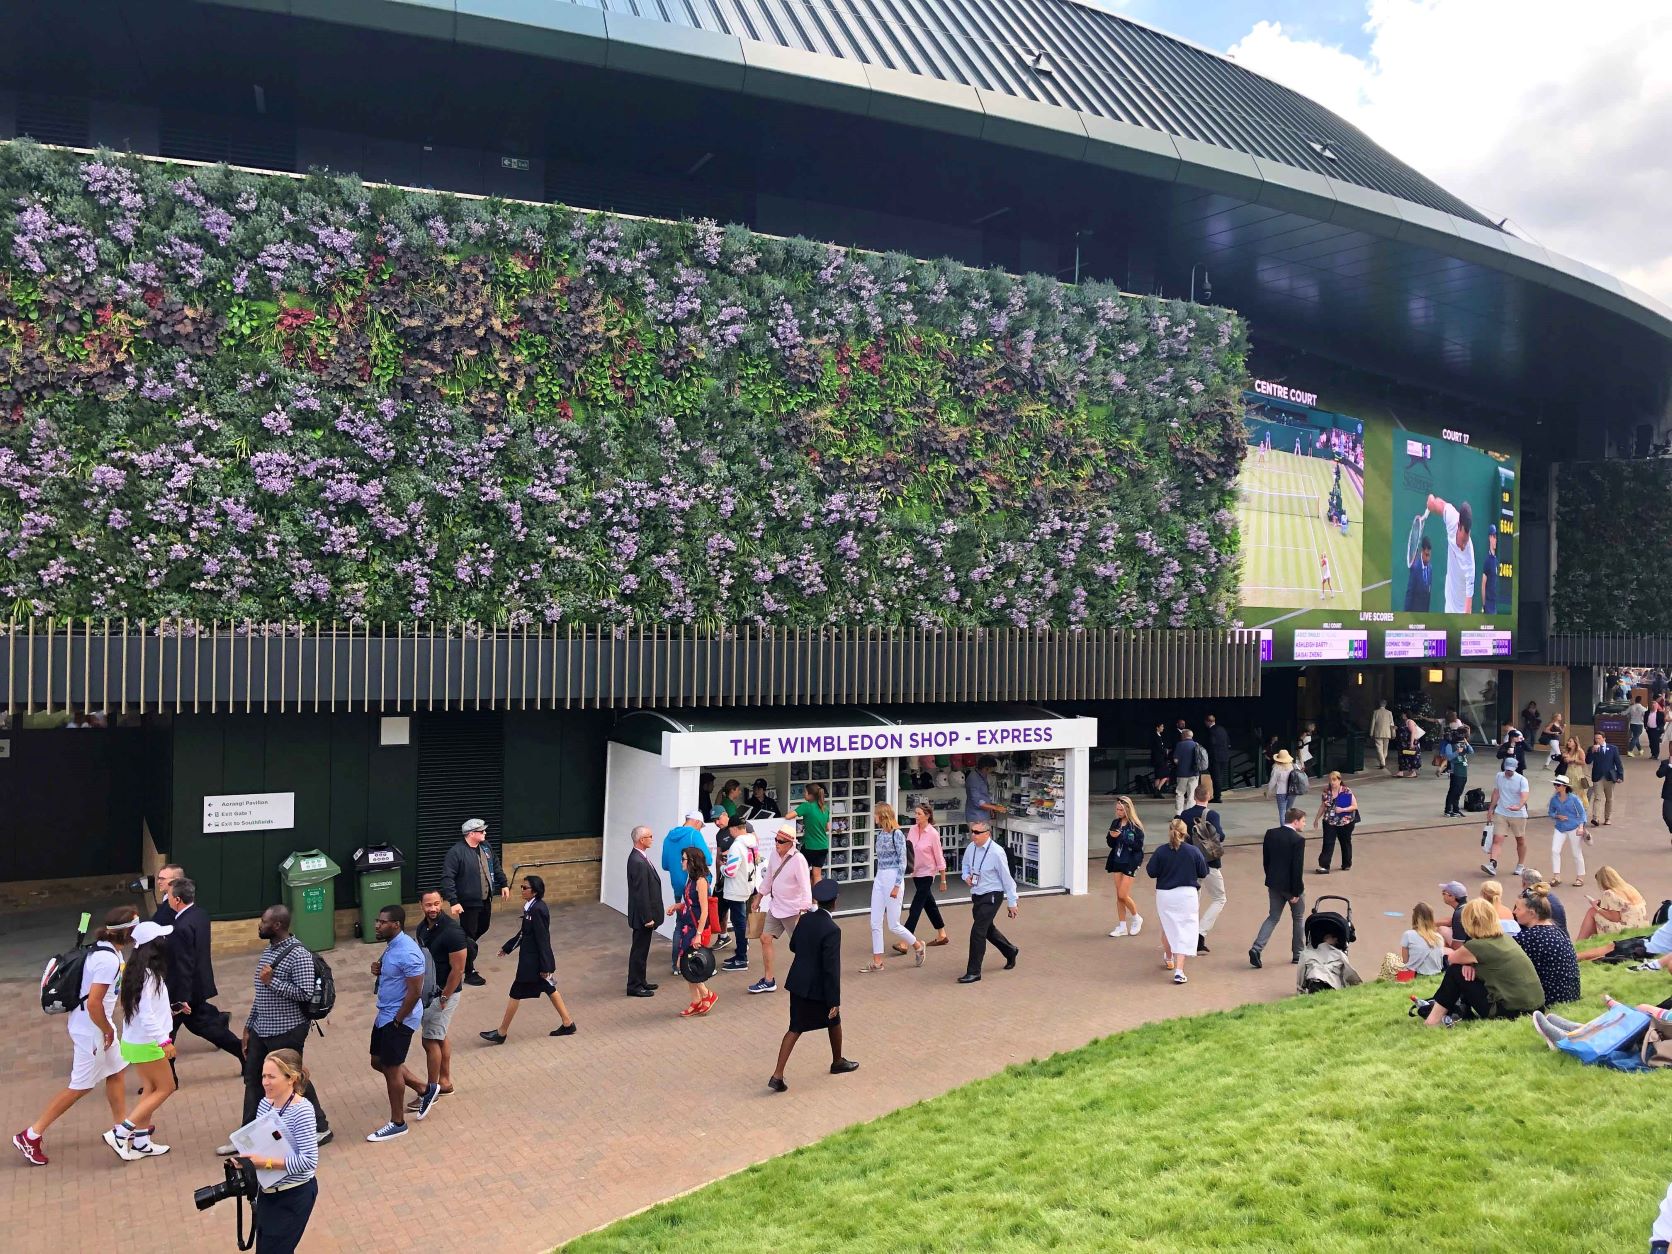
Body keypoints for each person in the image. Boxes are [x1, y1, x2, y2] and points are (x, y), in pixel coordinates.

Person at [14, 906, 137, 1166]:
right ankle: (31, 1135)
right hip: (92, 1028)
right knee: (80, 1086)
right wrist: (107, 1029)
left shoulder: (104, 949)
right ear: (126, 931)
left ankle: (120, 1129)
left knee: (116, 1072)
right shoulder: (108, 960)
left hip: (95, 1026)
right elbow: (94, 1003)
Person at [215, 905, 330, 1156]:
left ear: (276, 925)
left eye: (264, 921)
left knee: (292, 1078)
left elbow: (304, 992)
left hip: (287, 1029)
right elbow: (261, 994)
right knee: (254, 1079)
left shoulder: (298, 954)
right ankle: (247, 1136)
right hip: (262, 1028)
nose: (260, 924)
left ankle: (321, 1126)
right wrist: (248, 1025)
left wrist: (273, 981)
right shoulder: (270, 950)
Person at [768, 877, 858, 1091]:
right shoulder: (832, 929)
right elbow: (831, 968)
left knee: (795, 1027)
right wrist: (834, 1000)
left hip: (797, 982)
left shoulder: (805, 919)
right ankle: (837, 1062)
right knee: (834, 1018)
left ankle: (777, 1074)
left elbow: (793, 946)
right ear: (835, 902)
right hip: (818, 988)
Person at [230, 1048, 319, 1254]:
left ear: (291, 1078)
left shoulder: (302, 1111)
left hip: (294, 1195)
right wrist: (246, 1161)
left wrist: (265, 1163)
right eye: (263, 1076)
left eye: (271, 1076)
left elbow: (308, 1161)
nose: (265, 1082)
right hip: (268, 1194)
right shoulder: (264, 1104)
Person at [1414, 899, 1543, 1027]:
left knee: (1455, 971)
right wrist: (1469, 964)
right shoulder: (1506, 939)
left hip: (1509, 1012)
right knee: (1464, 971)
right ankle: (1459, 1010)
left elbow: (1452, 959)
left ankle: (1433, 1020)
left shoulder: (1476, 946)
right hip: (1536, 1008)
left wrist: (1466, 963)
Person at [109, 919, 177, 1160]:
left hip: (134, 1041)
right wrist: (164, 1041)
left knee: (150, 1087)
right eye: (162, 938)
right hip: (148, 1043)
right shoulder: (149, 976)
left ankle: (141, 1141)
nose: (166, 942)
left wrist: (171, 1010)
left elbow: (144, 1010)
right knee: (167, 1087)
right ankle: (122, 1132)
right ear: (154, 945)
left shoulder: (136, 971)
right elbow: (147, 1014)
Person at [481, 875, 578, 1040]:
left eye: (525, 888)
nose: (522, 890)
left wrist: (546, 967)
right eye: (522, 887)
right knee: (550, 988)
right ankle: (568, 1023)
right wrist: (507, 948)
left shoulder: (537, 910)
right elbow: (524, 933)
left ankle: (501, 1032)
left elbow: (543, 938)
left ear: (535, 891)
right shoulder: (531, 908)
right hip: (534, 962)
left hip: (533, 964)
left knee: (516, 992)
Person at [162, 876, 245, 1067]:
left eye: (168, 895)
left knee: (167, 1033)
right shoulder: (199, 915)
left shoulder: (180, 928)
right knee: (199, 1026)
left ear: (177, 900)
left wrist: (180, 999)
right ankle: (241, 1050)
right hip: (198, 985)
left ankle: (166, 1078)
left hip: (184, 992)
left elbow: (183, 965)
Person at [405, 890, 469, 1116]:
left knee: (430, 1040)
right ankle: (445, 1082)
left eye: (436, 904)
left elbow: (458, 969)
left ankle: (430, 1092)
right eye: (428, 905)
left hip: (445, 994)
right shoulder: (423, 928)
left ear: (441, 903)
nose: (432, 908)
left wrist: (444, 997)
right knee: (439, 1036)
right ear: (421, 905)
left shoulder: (453, 932)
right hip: (430, 993)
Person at [366, 905, 425, 1142]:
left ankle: (397, 1123)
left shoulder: (408, 952)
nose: (377, 925)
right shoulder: (392, 946)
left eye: (382, 922)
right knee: (377, 1061)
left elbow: (415, 992)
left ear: (396, 925)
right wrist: (378, 971)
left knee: (392, 1068)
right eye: (377, 920)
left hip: (399, 1017)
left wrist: (399, 1020)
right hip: (385, 1015)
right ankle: (424, 1088)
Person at [440, 818, 510, 988]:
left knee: (482, 928)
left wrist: (504, 884)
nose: (485, 833)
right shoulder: (456, 852)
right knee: (469, 936)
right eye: (481, 831)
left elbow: (496, 866)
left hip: (485, 898)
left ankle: (456, 949)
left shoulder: (486, 847)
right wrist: (454, 901)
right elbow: (447, 877)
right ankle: (468, 970)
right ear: (471, 834)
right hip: (467, 902)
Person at [860, 804, 924, 972]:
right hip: (880, 875)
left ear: (882, 816)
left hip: (892, 876)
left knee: (893, 924)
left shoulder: (897, 834)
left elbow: (902, 861)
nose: (874, 817)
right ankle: (877, 961)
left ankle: (917, 945)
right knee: (875, 921)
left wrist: (896, 885)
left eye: (876, 815)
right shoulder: (880, 835)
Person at [750, 823, 812, 995]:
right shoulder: (774, 855)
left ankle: (809, 978)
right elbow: (769, 877)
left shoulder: (799, 860)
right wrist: (759, 896)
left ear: (790, 843)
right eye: (776, 839)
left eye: (780, 841)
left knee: (800, 947)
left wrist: (804, 909)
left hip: (793, 910)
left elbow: (806, 886)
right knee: (765, 938)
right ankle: (769, 980)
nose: (776, 843)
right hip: (776, 906)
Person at [1146, 818, 1209, 985]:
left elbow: (1151, 872)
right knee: (1185, 929)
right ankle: (1179, 971)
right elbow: (1203, 872)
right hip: (1187, 895)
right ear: (1185, 832)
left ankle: (1168, 957)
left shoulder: (1161, 851)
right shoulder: (1193, 851)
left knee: (1168, 926)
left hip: (1165, 894)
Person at [957, 821, 1019, 984]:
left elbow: (1007, 879)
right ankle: (1010, 950)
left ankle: (974, 971)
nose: (974, 835)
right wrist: (966, 877)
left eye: (977, 832)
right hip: (977, 894)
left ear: (987, 834)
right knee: (987, 929)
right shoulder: (971, 848)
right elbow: (964, 866)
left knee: (978, 931)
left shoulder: (997, 852)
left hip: (992, 895)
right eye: (972, 832)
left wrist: (1012, 902)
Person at [1249, 808, 1306, 970]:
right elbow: (1297, 869)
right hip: (1291, 886)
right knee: (1298, 917)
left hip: (1274, 883)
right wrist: (1294, 893)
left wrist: (1271, 877)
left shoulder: (1271, 834)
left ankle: (1257, 948)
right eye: (1303, 820)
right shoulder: (1298, 840)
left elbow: (1266, 860)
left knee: (1273, 917)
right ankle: (1298, 953)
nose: (1304, 823)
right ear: (1295, 821)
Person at [669, 848, 717, 1018]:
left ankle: (706, 995)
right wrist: (677, 906)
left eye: (683, 859)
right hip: (687, 927)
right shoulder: (691, 879)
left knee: (689, 964)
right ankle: (697, 1000)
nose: (681, 862)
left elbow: (704, 911)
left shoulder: (701, 882)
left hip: (697, 929)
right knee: (686, 964)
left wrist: (698, 934)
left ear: (692, 861)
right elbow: (691, 904)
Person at [1179, 783, 1227, 952]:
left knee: (1194, 898)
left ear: (1193, 796)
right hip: (1209, 861)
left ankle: (1187, 934)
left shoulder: (1184, 814)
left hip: (1190, 861)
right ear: (1208, 796)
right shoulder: (1212, 815)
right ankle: (1200, 933)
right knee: (1219, 897)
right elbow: (1220, 835)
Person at [1512, 890, 1580, 1006]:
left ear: (1532, 913)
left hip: (1549, 1000)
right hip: (1570, 995)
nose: (1514, 912)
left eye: (1518, 909)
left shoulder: (1529, 937)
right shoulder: (1556, 930)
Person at [900, 801, 950, 950]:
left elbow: (939, 856)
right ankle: (942, 934)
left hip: (928, 873)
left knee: (916, 907)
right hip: (916, 872)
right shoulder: (913, 829)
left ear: (927, 816)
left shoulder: (933, 834)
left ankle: (905, 941)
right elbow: (908, 850)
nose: (916, 816)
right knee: (929, 904)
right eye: (915, 813)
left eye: (919, 814)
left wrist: (943, 879)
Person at [624, 824, 664, 997]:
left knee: (643, 949)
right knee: (639, 951)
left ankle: (641, 980)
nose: (652, 839)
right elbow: (641, 893)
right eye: (650, 836)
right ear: (641, 840)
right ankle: (634, 985)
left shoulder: (640, 858)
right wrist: (647, 917)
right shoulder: (638, 861)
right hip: (642, 917)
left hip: (643, 916)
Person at [720, 818, 762, 974]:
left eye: (730, 829)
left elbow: (731, 871)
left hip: (736, 890)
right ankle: (740, 954)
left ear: (734, 828)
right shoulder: (752, 842)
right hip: (747, 886)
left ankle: (741, 958)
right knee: (741, 923)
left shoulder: (737, 846)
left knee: (739, 925)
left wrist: (723, 868)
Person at [1104, 794, 1146, 938]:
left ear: (1128, 810)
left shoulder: (1136, 826)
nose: (1118, 812)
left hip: (1131, 861)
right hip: (1117, 859)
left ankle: (1136, 917)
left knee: (1123, 894)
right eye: (1117, 809)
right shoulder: (1115, 823)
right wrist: (1112, 836)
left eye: (1121, 810)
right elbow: (1110, 843)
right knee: (1119, 896)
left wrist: (1121, 837)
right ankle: (1122, 925)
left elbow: (1138, 846)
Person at [1481, 758, 1530, 877]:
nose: (1509, 772)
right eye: (1507, 770)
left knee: (1520, 840)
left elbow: (1524, 795)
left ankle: (1520, 865)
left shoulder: (1522, 780)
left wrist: (1519, 806)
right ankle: (1492, 864)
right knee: (1497, 839)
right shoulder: (1499, 776)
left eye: (1511, 770)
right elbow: (1496, 792)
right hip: (1501, 812)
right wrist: (1491, 808)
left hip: (1518, 815)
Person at [1574, 865, 1650, 940]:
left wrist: (1597, 907)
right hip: (1641, 926)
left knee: (1592, 912)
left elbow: (1615, 918)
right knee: (1597, 916)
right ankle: (1587, 943)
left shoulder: (1609, 893)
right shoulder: (1629, 888)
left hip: (1627, 929)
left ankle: (1579, 943)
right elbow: (1623, 907)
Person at [1313, 770, 1359, 874]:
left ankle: (1346, 863)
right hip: (1329, 821)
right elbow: (1323, 806)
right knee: (1328, 843)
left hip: (1345, 821)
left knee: (1345, 842)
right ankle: (1324, 866)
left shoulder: (1346, 791)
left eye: (1334, 780)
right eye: (1330, 780)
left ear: (1339, 780)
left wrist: (1343, 809)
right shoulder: (1326, 792)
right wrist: (1316, 819)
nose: (1332, 782)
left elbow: (1355, 806)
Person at [1546, 775, 1589, 886]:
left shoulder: (1574, 799)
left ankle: (1580, 877)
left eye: (1558, 785)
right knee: (1555, 850)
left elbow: (1582, 813)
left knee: (1576, 853)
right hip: (1560, 827)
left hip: (1573, 827)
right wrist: (1557, 816)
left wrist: (1581, 827)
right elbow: (1550, 812)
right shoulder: (1554, 799)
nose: (1556, 787)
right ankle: (1556, 876)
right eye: (1555, 784)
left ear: (1564, 786)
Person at [795, 783, 832, 885]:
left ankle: (805, 897)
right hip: (823, 846)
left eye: (805, 792)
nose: (803, 794)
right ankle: (816, 900)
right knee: (817, 875)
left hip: (810, 846)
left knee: (802, 872)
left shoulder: (806, 806)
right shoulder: (825, 808)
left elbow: (789, 816)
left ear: (811, 795)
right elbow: (828, 828)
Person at [1395, 902, 1446, 976]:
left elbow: (1405, 962)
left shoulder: (1408, 935)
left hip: (1415, 974)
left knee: (1390, 958)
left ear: (1414, 917)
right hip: (1436, 973)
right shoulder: (1439, 937)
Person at [1586, 732, 1624, 826]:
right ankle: (1596, 818)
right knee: (1597, 798)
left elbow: (1618, 763)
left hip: (1609, 777)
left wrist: (1620, 776)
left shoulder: (1613, 749)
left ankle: (1607, 818)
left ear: (1604, 738)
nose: (1597, 740)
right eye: (1596, 738)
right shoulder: (1592, 748)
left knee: (1609, 798)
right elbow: (1588, 761)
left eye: (1599, 738)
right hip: (1597, 777)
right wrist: (1592, 751)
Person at [1519, 868, 1569, 935]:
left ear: (1524, 883)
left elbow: (1518, 922)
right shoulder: (1550, 895)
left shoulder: (1527, 897)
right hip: (1562, 936)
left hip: (1547, 936)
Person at [1264, 748, 1305, 829]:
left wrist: (1268, 792)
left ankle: (1284, 830)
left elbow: (1272, 782)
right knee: (1288, 812)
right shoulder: (1294, 766)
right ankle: (1290, 829)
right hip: (1293, 792)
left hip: (1281, 792)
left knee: (1282, 813)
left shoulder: (1276, 769)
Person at [1172, 727, 1205, 815]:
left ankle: (1178, 814)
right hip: (1194, 773)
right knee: (1191, 795)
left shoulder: (1180, 745)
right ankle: (1189, 814)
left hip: (1182, 773)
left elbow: (1176, 760)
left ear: (1184, 735)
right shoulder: (1197, 745)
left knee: (1180, 793)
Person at [1441, 728, 1473, 817]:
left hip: (1463, 770)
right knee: (1453, 791)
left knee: (1459, 792)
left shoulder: (1462, 744)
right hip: (1455, 771)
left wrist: (1466, 743)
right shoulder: (1449, 746)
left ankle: (1456, 809)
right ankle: (1448, 810)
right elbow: (1449, 757)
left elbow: (1471, 751)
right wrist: (1456, 752)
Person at [1204, 713, 1232, 800]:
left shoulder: (1211, 731)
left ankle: (1217, 797)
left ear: (1208, 722)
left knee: (1215, 777)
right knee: (1219, 776)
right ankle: (1217, 795)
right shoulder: (1222, 729)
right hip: (1225, 757)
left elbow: (1211, 744)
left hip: (1215, 757)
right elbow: (1228, 742)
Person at [1403, 534, 1433, 612]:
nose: (1428, 559)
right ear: (1422, 551)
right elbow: (1409, 593)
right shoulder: (1415, 568)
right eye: (1426, 555)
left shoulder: (1430, 568)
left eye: (1429, 555)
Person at [1370, 700, 1395, 771]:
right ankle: (1383, 761)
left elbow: (1373, 723)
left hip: (1378, 733)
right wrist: (1393, 732)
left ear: (1379, 704)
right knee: (1385, 749)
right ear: (1385, 705)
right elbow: (1392, 723)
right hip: (1387, 733)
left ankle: (1382, 762)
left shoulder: (1376, 712)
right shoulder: (1389, 713)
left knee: (1379, 748)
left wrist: (1371, 733)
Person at [1148, 722, 1172, 798]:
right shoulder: (1155, 737)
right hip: (1159, 760)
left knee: (1158, 776)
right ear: (1157, 727)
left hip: (1158, 759)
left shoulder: (1159, 736)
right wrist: (1166, 751)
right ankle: (1158, 789)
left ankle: (1156, 792)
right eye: (1161, 726)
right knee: (1166, 775)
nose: (1163, 728)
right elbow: (1158, 749)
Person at [1479, 528, 1500, 613]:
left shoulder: (1496, 561)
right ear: (1490, 538)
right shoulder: (1487, 561)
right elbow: (1483, 585)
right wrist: (1484, 605)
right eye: (1493, 537)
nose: (1495, 540)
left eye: (1496, 537)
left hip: (1494, 605)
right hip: (1488, 606)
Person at [1398, 713, 1424, 778]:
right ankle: (1401, 772)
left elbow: (1413, 732)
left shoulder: (1410, 721)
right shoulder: (1405, 722)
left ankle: (1413, 772)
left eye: (1404, 714)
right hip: (1404, 743)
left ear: (1407, 715)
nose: (1402, 715)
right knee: (1403, 756)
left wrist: (1412, 743)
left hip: (1409, 742)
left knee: (1411, 756)